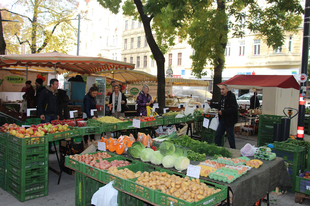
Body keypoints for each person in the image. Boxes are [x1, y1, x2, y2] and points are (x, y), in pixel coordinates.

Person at [37, 78, 59, 154]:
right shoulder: (45, 92)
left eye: (58, 84)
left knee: (52, 133)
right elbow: (40, 103)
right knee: (45, 133)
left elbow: (57, 104)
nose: (57, 86)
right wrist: (41, 113)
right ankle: (44, 148)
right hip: (46, 115)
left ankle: (49, 148)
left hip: (54, 115)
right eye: (56, 84)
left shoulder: (56, 93)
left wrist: (57, 114)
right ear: (51, 85)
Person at [215, 84, 238, 149]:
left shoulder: (231, 97)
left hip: (229, 120)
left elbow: (233, 109)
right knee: (218, 135)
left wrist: (223, 112)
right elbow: (219, 106)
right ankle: (217, 148)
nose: (221, 91)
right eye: (221, 89)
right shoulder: (222, 97)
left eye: (223, 89)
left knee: (230, 136)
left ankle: (233, 149)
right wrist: (211, 104)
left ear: (227, 90)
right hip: (222, 120)